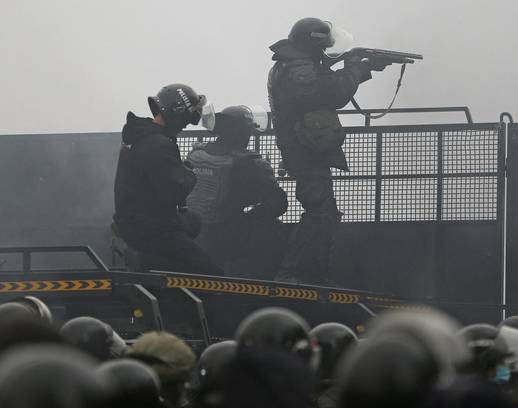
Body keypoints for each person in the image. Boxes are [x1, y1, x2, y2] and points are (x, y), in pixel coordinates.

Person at [267, 17, 389, 284]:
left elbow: (325, 81)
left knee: (325, 212)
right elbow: (330, 93)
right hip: (304, 150)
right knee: (319, 212)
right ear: (314, 43)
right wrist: (356, 70)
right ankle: (292, 273)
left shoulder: (298, 63)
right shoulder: (299, 68)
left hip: (305, 147)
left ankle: (311, 271)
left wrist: (364, 68)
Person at [113, 83, 222, 275]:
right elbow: (175, 190)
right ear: (178, 113)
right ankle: (147, 262)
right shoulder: (157, 144)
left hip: (135, 221)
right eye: (186, 121)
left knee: (193, 221)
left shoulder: (142, 137)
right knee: (213, 276)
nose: (185, 126)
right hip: (151, 229)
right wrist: (188, 170)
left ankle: (157, 263)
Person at [186, 105, 287, 277]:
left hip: (190, 230)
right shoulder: (251, 163)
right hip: (225, 234)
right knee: (274, 229)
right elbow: (278, 204)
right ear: (244, 133)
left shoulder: (196, 154)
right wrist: (253, 212)